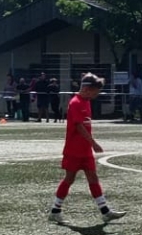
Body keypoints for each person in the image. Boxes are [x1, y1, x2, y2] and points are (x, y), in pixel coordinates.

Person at [50, 73, 125, 223]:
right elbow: (79, 127)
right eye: (95, 91)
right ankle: (55, 211)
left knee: (93, 178)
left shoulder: (86, 101)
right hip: (74, 150)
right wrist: (94, 143)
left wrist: (90, 145)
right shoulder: (75, 103)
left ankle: (105, 211)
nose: (97, 95)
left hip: (85, 151)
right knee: (69, 179)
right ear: (87, 89)